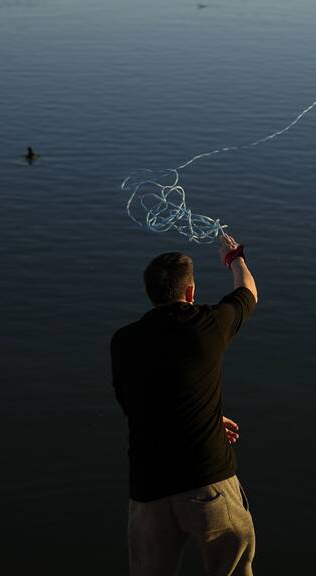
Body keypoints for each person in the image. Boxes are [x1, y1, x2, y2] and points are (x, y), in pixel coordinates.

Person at [111, 233, 259, 576]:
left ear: (151, 294)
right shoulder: (207, 325)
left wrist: (205, 414)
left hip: (149, 490)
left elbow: (133, 404)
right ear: (190, 293)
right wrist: (233, 257)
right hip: (209, 482)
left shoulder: (123, 342)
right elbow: (248, 291)